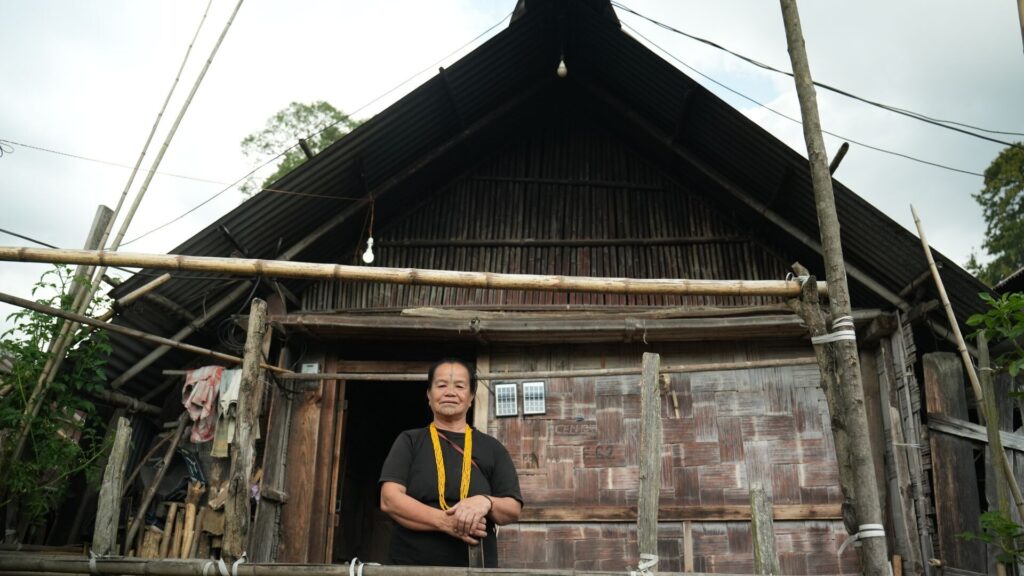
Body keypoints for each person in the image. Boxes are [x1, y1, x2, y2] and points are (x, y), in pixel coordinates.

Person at [379, 358, 523, 567]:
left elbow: (512, 508)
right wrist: (445, 522)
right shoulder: (409, 441)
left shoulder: (493, 448)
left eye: (459, 386)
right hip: (411, 565)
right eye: (441, 385)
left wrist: (486, 501)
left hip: (475, 567)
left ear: (471, 397)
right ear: (429, 395)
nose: (450, 392)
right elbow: (389, 499)